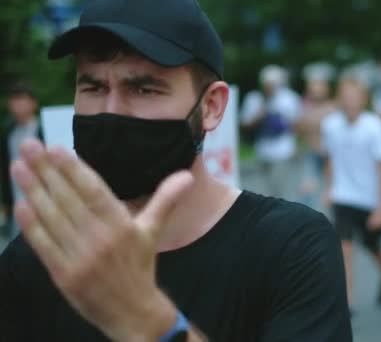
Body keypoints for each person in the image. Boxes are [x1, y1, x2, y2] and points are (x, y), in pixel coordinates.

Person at [0, 0, 352, 341]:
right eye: (93, 87)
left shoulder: (290, 248)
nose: (112, 111)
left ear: (211, 107)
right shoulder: (36, 260)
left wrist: (148, 321)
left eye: (143, 88)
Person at [322, 75, 381, 311]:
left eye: (354, 97)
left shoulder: (374, 126)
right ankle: (347, 301)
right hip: (343, 196)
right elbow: (330, 159)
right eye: (345, 97)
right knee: (345, 248)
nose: (350, 102)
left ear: (363, 99)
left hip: (368, 200)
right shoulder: (331, 125)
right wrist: (329, 187)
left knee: (374, 248)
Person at [241, 64, 301, 200]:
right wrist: (259, 116)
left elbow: (296, 124)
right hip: (262, 150)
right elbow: (245, 124)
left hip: (283, 151)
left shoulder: (289, 99)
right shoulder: (254, 98)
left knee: (280, 191)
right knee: (264, 192)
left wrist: (295, 145)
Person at [0, 82, 44, 239]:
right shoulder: (8, 134)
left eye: (22, 99)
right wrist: (6, 203)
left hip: (42, 202)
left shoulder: (43, 129)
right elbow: (5, 172)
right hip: (17, 202)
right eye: (14, 99)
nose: (17, 104)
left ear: (33, 103)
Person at [295, 62, 336, 209]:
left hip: (330, 157)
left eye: (318, 85)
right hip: (312, 156)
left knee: (329, 195)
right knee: (307, 194)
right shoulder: (305, 108)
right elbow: (299, 131)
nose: (315, 89)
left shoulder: (333, 108)